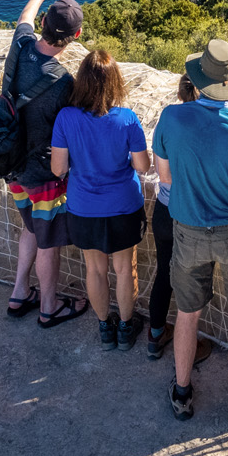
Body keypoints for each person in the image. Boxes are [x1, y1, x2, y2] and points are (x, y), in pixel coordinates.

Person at [152, 38, 228, 424]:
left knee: (187, 314)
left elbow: (164, 176)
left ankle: (183, 393)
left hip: (187, 231)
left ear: (199, 79)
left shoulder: (171, 118)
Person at [3, 0, 90, 329]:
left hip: (12, 163)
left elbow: (23, 19)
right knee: (47, 241)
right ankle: (49, 306)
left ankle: (20, 292)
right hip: (43, 175)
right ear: (76, 37)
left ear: (43, 24)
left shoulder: (21, 46)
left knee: (30, 230)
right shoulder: (64, 82)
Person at [50, 50, 150, 350]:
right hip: (123, 206)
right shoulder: (127, 119)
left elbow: (58, 168)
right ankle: (125, 327)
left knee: (94, 269)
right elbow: (143, 166)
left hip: (83, 207)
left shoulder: (66, 118)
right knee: (124, 270)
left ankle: (105, 328)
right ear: (115, 82)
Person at [144, 76, 214, 371]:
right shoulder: (212, 126)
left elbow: (164, 175)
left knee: (164, 273)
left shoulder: (168, 119)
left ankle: (155, 335)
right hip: (195, 215)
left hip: (165, 208)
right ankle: (191, 346)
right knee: (194, 285)